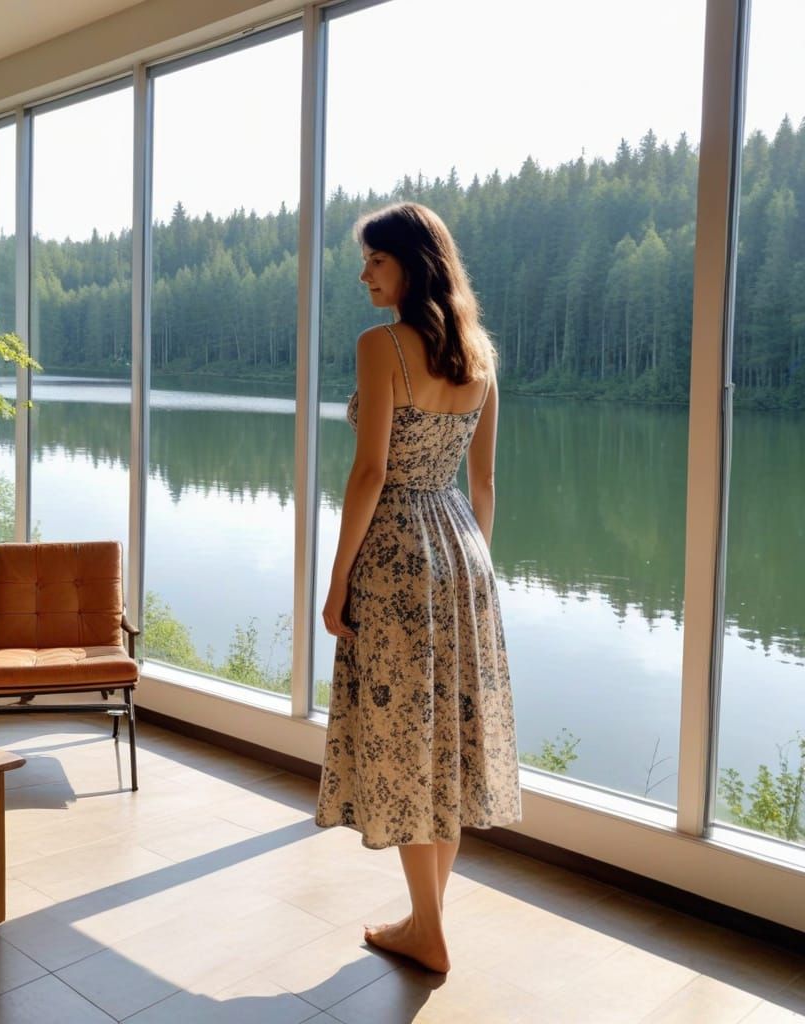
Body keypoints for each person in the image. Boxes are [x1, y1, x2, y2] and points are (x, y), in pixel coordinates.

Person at [315, 201, 522, 974]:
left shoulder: (382, 347)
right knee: (446, 740)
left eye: (375, 259)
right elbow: (487, 480)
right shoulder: (480, 356)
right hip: (463, 550)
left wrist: (337, 581)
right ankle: (425, 918)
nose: (364, 272)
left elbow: (370, 473)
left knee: (406, 741)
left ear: (411, 262)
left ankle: (426, 929)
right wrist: (474, 570)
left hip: (398, 548)